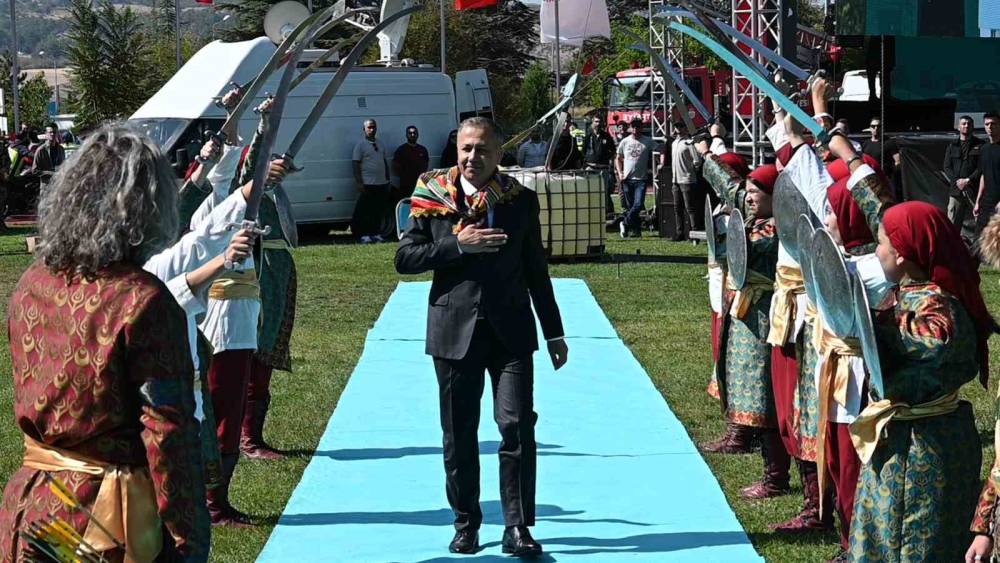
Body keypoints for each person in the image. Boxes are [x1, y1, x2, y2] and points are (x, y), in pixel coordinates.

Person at [0, 125, 211, 562]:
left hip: (32, 508)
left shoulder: (31, 283)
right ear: (148, 208)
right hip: (100, 524)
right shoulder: (143, 301)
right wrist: (188, 541)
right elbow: (168, 434)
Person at [396, 117, 568, 558]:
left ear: (498, 154)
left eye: (483, 150)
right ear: (457, 150)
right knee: (459, 433)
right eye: (467, 149)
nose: (473, 157)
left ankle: (517, 526)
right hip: (453, 332)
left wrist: (554, 332)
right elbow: (406, 258)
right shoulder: (432, 193)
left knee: (516, 426)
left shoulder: (520, 200)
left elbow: (535, 269)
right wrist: (459, 245)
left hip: (511, 333)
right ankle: (466, 523)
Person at [850, 201, 992, 561]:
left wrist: (876, 324)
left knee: (914, 542)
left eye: (881, 243)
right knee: (885, 535)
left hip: (922, 448)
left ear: (901, 254)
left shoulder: (939, 303)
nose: (876, 251)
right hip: (902, 439)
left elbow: (936, 338)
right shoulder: (903, 293)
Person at [352, 118, 392, 243]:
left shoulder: (381, 144)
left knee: (378, 210)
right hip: (367, 184)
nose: (372, 129)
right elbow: (355, 164)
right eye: (369, 127)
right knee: (365, 211)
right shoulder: (360, 145)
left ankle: (376, 233)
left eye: (374, 127)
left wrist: (387, 178)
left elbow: (384, 162)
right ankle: (364, 234)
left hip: (381, 183)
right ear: (364, 129)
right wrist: (359, 182)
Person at [944, 115, 984, 235]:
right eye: (963, 123)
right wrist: (957, 181)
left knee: (982, 222)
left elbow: (982, 167)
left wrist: (968, 180)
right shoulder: (952, 146)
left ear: (973, 126)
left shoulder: (981, 145)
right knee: (952, 225)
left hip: (974, 190)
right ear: (958, 127)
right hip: (956, 191)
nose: (966, 126)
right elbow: (947, 167)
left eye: (969, 124)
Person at [615, 117, 654, 238]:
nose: (635, 129)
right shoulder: (625, 141)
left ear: (641, 128)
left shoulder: (647, 141)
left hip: (641, 179)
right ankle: (635, 230)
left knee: (638, 204)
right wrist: (620, 172)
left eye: (638, 126)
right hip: (627, 179)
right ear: (630, 128)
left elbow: (660, 148)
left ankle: (624, 223)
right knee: (631, 206)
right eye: (633, 127)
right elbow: (618, 158)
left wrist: (662, 162)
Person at [669, 122, 703, 241]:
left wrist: (691, 170)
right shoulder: (674, 143)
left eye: (681, 126)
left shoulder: (689, 143)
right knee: (677, 208)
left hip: (687, 179)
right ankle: (680, 233)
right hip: (676, 180)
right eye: (676, 126)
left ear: (685, 128)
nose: (678, 129)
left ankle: (694, 233)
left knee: (690, 208)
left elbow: (697, 160)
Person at [583, 115, 616, 218]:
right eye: (596, 121)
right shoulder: (588, 136)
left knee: (604, 192)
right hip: (591, 168)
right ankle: (591, 213)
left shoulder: (606, 136)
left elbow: (613, 150)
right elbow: (583, 150)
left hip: (603, 168)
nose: (598, 124)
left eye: (599, 122)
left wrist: (610, 161)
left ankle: (605, 213)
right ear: (592, 123)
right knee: (590, 191)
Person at [974, 112, 1000, 233]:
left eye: (993, 124)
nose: (990, 127)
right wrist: (978, 201)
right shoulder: (984, 149)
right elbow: (983, 175)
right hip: (986, 203)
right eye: (987, 124)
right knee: (979, 237)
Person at [392, 125, 430, 199]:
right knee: (408, 202)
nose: (412, 135)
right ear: (406, 135)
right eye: (410, 133)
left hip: (420, 183)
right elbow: (395, 166)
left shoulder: (422, 149)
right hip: (406, 184)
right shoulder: (401, 150)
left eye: (414, 133)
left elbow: (426, 164)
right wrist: (404, 176)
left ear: (417, 134)